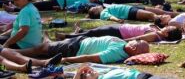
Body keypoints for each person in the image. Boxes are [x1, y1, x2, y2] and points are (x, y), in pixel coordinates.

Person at [13, 36, 149, 64]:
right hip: (79, 41)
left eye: (137, 43)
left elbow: (90, 58)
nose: (135, 42)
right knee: (46, 46)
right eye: (138, 40)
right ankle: (48, 41)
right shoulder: (122, 44)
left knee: (41, 49)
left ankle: (12, 53)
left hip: (75, 48)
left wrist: (65, 59)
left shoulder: (116, 54)